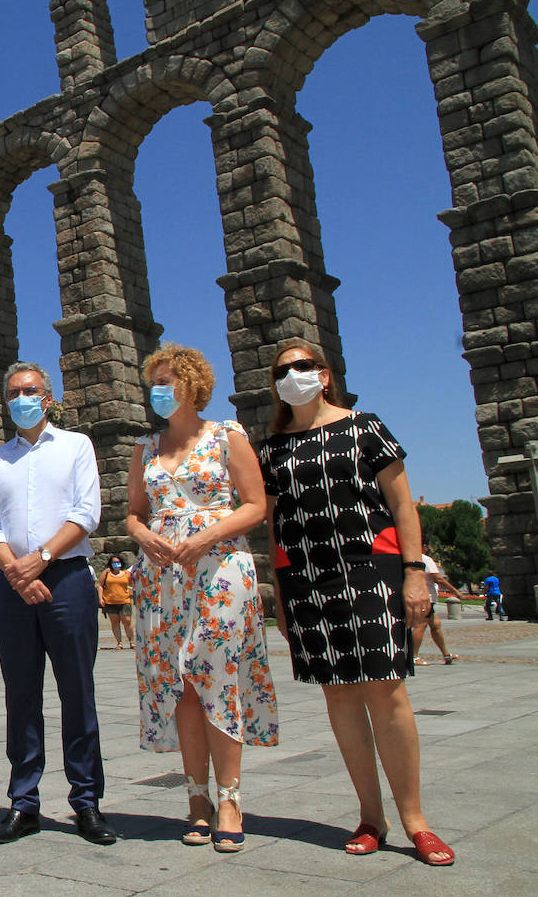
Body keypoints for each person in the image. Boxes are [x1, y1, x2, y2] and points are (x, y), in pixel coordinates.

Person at [259, 338, 454, 866]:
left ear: (324, 375)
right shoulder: (272, 448)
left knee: (386, 694)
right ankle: (371, 815)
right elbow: (275, 524)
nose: (291, 375)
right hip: (306, 580)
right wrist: (278, 591)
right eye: (282, 371)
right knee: (339, 699)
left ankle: (416, 820)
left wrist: (415, 573)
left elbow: (401, 503)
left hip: (370, 569)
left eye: (301, 366)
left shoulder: (365, 427)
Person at [125, 345, 278, 853]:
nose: (159, 391)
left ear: (192, 385)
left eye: (168, 381)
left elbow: (255, 504)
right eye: (155, 383)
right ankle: (196, 797)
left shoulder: (227, 436)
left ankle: (229, 797)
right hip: (161, 575)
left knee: (217, 680)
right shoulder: (145, 447)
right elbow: (132, 513)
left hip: (219, 569)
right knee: (180, 686)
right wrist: (142, 535)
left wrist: (206, 536)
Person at [0, 363, 116, 846]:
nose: (21, 398)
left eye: (29, 391)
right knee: (21, 695)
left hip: (68, 578)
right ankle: (24, 802)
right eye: (13, 392)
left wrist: (40, 559)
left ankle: (86, 802)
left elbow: (86, 513)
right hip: (12, 583)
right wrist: (17, 571)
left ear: (48, 398)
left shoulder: (77, 446)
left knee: (77, 691)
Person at [412, 545, 459, 665]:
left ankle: (446, 655)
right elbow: (438, 578)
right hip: (426, 598)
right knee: (420, 626)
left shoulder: (412, 559)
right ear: (425, 547)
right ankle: (414, 657)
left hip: (423, 597)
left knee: (436, 626)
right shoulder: (426, 559)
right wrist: (455, 591)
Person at [99, 555, 135, 650]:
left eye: (118, 562)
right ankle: (119, 642)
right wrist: (100, 598)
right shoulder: (106, 573)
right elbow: (100, 585)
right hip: (110, 601)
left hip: (124, 601)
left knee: (127, 621)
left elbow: (133, 585)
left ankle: (131, 641)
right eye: (114, 562)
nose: (116, 564)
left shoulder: (126, 574)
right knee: (115, 622)